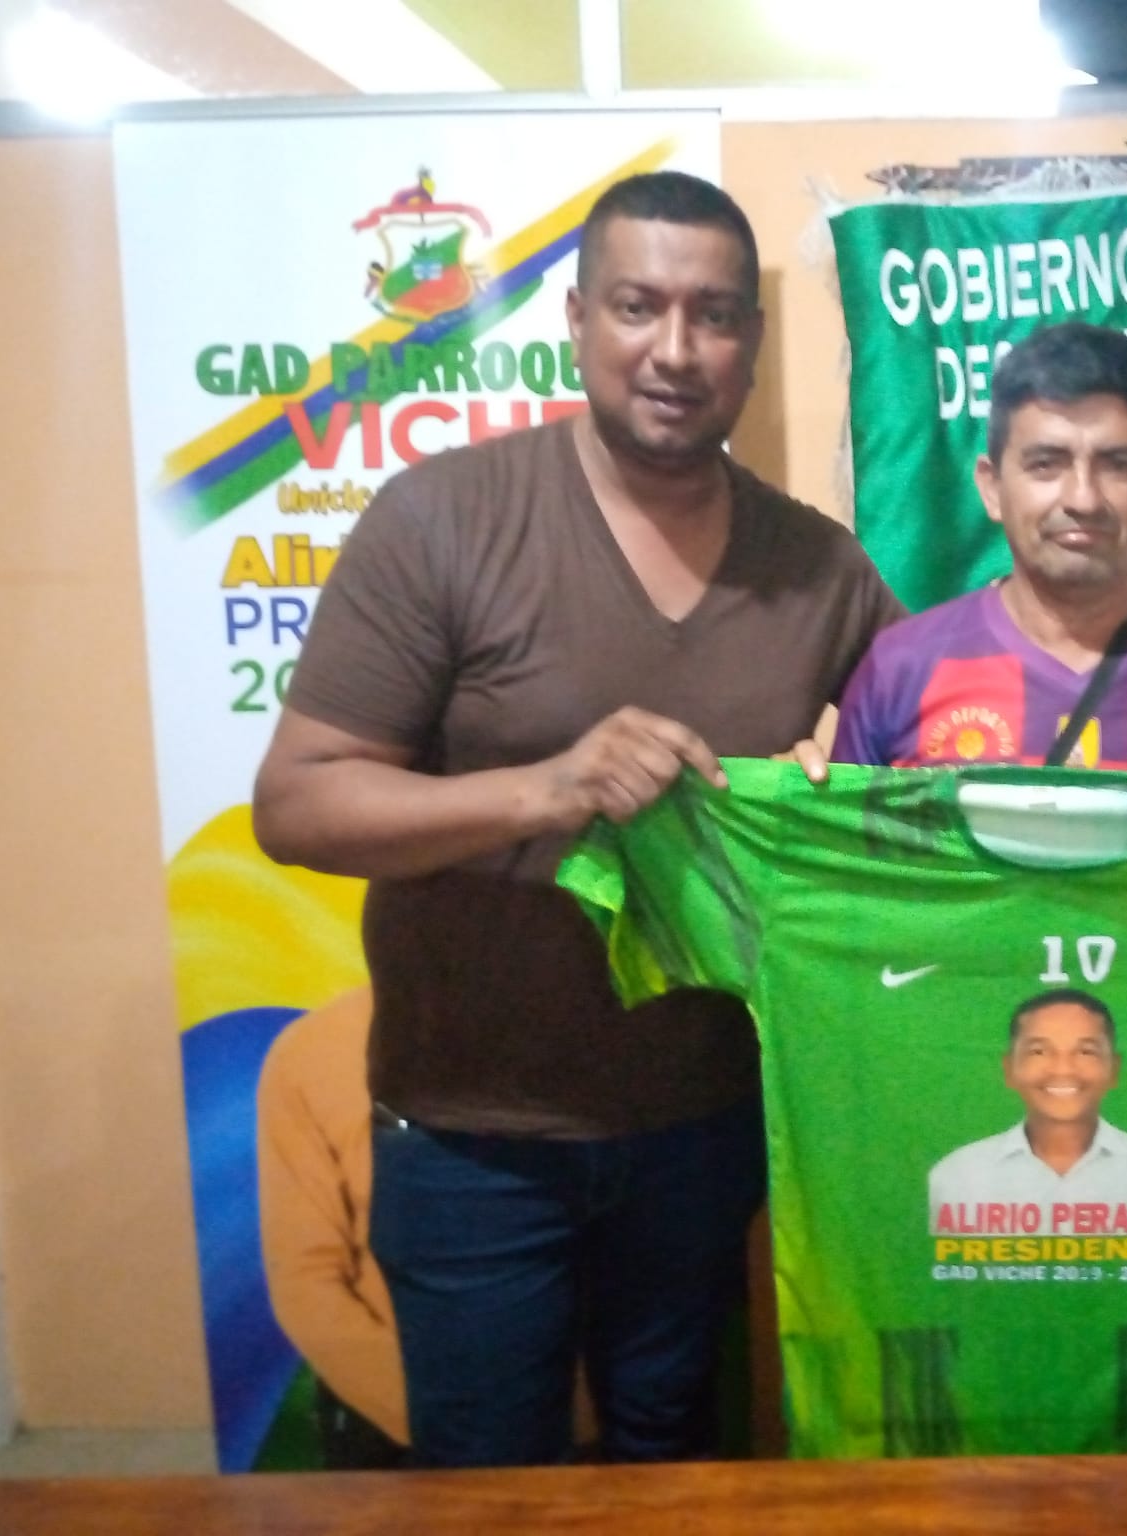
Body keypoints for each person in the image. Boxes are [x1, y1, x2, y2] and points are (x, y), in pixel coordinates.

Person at [251, 170, 904, 1468]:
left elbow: (944, 749)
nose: (676, 349)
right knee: (490, 1486)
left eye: (714, 315)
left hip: (707, 1127)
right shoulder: (444, 519)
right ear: (576, 318)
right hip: (473, 1136)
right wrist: (546, 788)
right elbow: (299, 803)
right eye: (637, 306)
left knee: (678, 1467)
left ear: (751, 342)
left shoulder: (818, 567)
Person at [797, 321, 1127, 782]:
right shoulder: (900, 671)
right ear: (992, 487)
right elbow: (844, 851)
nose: (1083, 499)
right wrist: (790, 799)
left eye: (1118, 465)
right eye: (1046, 464)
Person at [255, 988, 408, 1469]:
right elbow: (305, 1277)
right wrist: (434, 1413)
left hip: (575, 1418)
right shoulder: (315, 1050)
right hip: (392, 1422)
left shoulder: (586, 1032)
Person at [928, 990, 1127, 1233]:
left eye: (1085, 1052)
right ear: (1009, 1069)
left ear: (1114, 1069)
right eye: (1039, 1052)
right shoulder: (958, 1176)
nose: (1063, 1069)